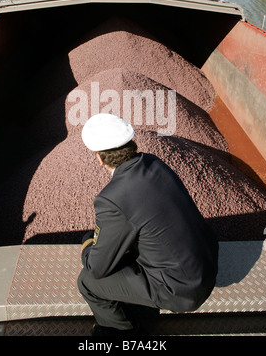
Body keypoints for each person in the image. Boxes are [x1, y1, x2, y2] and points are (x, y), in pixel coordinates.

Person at [77, 113, 219, 336]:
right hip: (207, 265)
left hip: (182, 290)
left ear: (100, 159)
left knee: (87, 282)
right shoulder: (154, 162)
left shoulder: (111, 199)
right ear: (131, 143)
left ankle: (121, 334)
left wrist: (87, 242)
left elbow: (96, 268)